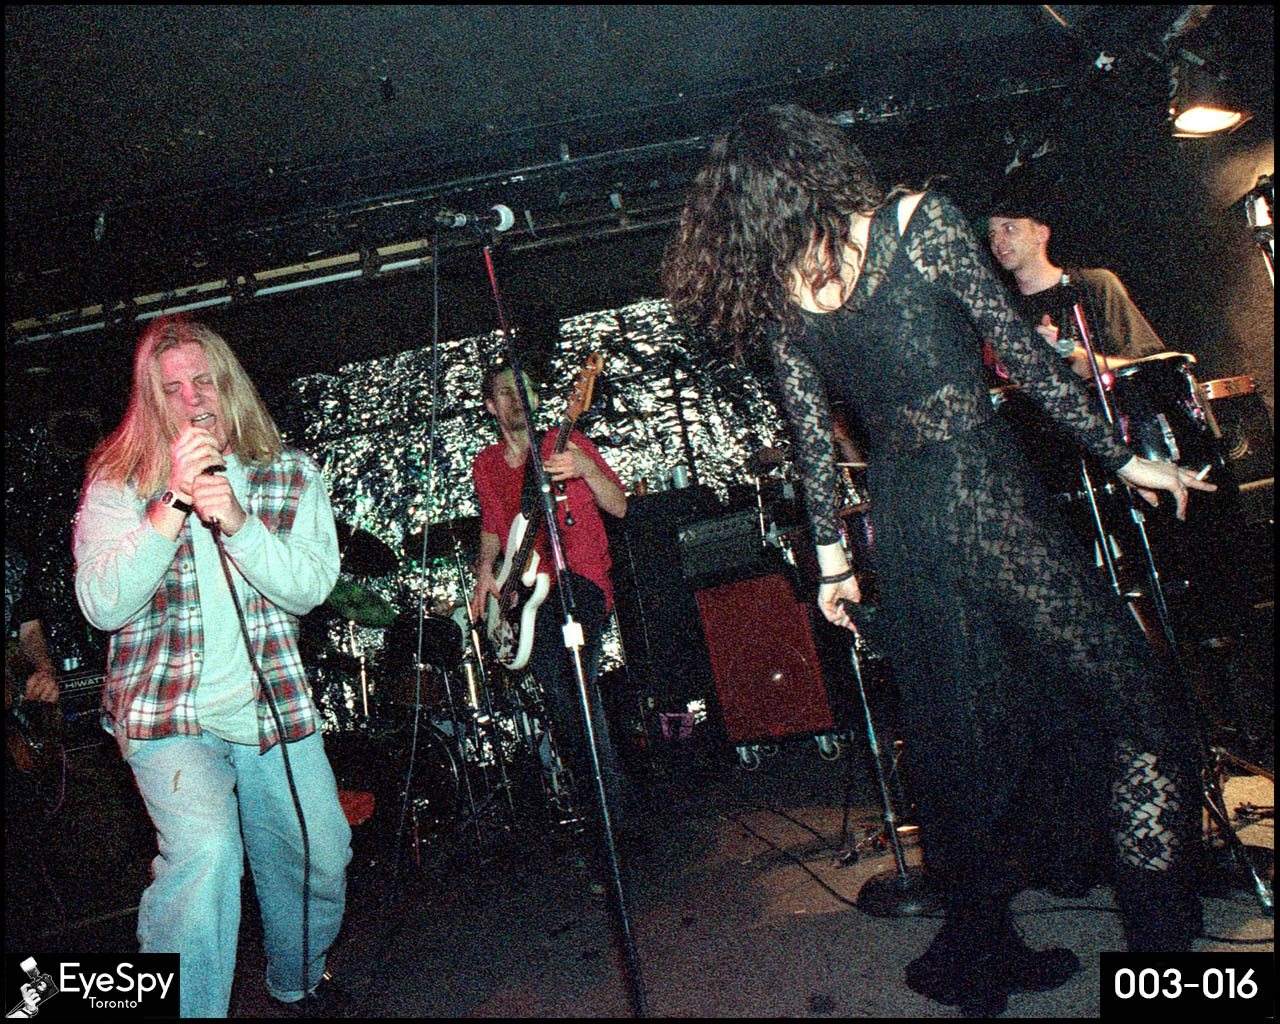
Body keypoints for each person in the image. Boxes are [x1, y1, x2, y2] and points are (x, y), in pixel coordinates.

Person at [662, 104, 1216, 1017]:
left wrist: (836, 566)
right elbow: (1025, 362)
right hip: (988, 496)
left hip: (909, 515)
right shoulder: (918, 223)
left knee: (965, 751)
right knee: (1135, 705)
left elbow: (811, 444)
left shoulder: (785, 297)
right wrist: (1123, 456)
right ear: (815, 159)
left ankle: (985, 954)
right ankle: (1165, 961)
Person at [72, 318, 351, 1018]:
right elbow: (102, 604)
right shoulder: (116, 484)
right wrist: (169, 504)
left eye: (204, 382)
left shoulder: (291, 475)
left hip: (272, 710)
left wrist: (239, 523)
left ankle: (295, 978)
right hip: (169, 720)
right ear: (151, 402)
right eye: (172, 389)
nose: (192, 399)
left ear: (229, 389)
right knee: (205, 857)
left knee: (321, 859)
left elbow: (311, 586)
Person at [467, 364, 631, 867]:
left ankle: (615, 825)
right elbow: (497, 528)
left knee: (573, 691)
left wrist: (585, 468)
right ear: (492, 408)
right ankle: (605, 816)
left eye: (523, 389)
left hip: (578, 580)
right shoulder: (487, 463)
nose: (516, 399)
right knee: (565, 706)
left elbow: (619, 506)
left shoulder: (567, 442)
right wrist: (484, 572)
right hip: (530, 596)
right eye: (504, 394)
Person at [986, 196, 1166, 378]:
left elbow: (1149, 368)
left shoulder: (1094, 285)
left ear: (1041, 234)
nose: (998, 241)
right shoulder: (1001, 308)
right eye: (992, 235)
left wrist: (1071, 353)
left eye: (1009, 229)